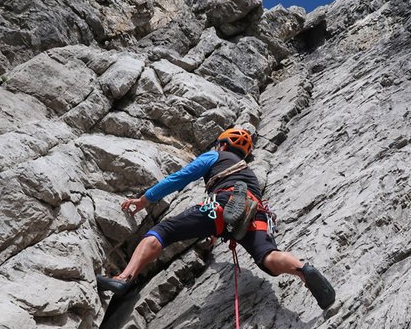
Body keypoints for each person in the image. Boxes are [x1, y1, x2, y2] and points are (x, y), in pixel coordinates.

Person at [97, 128, 336, 310]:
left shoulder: (215, 156)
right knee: (268, 256)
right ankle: (303, 269)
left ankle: (124, 278)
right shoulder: (249, 173)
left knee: (163, 231)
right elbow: (240, 206)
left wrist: (145, 199)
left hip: (220, 206)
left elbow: (180, 177)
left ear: (222, 144)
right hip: (256, 214)